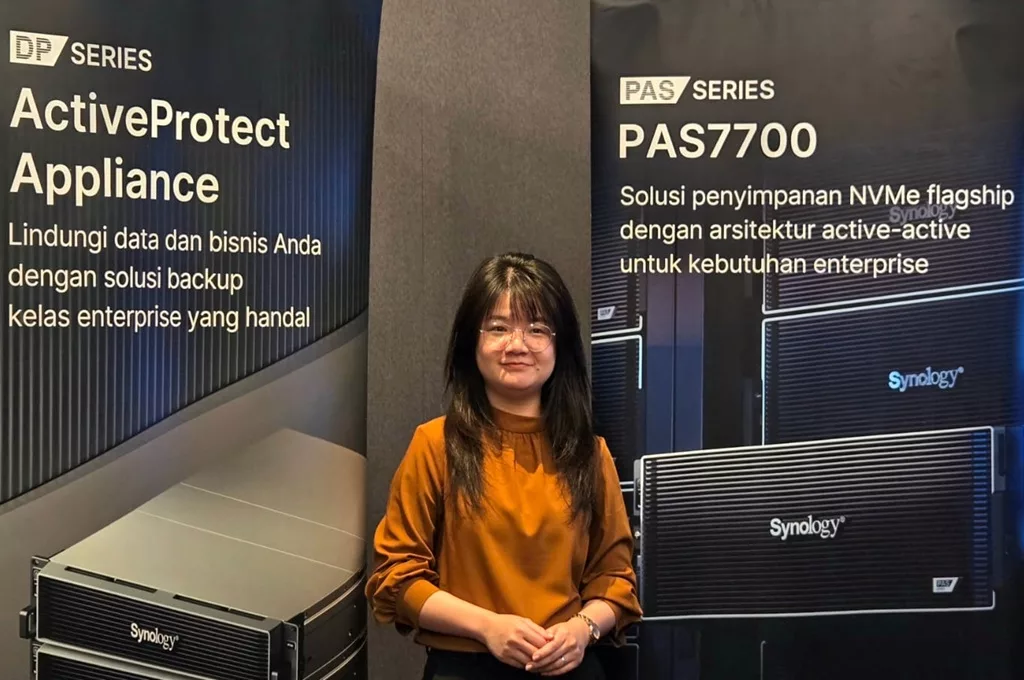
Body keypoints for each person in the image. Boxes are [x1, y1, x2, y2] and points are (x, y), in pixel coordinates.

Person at [366, 252, 643, 679]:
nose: (517, 344)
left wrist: (581, 629)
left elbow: (616, 581)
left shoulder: (589, 453)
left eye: (537, 329)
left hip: (568, 669)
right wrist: (488, 628)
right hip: (464, 669)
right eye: (498, 328)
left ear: (561, 345)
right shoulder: (435, 444)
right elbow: (396, 578)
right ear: (471, 342)